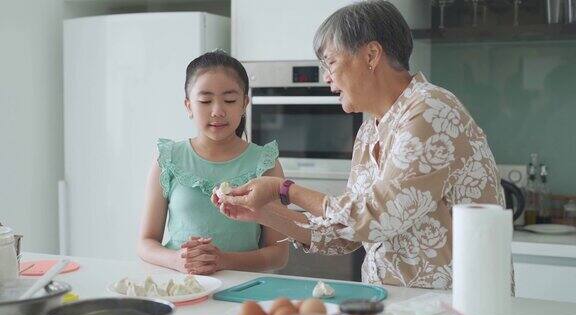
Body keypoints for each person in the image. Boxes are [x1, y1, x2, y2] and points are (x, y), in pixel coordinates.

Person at [214, 0, 505, 289]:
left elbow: (377, 216)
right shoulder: (370, 131)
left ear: (371, 55)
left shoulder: (431, 110)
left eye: (331, 62)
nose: (327, 77)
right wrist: (263, 213)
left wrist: (285, 189)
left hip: (454, 305)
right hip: (396, 303)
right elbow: (346, 233)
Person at [138, 51, 289, 275]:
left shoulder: (264, 162)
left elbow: (279, 254)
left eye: (229, 100)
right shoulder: (167, 157)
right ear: (188, 106)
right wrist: (177, 260)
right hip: (180, 286)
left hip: (244, 290)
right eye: (205, 101)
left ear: (244, 104)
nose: (218, 111)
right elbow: (145, 242)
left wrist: (223, 260)